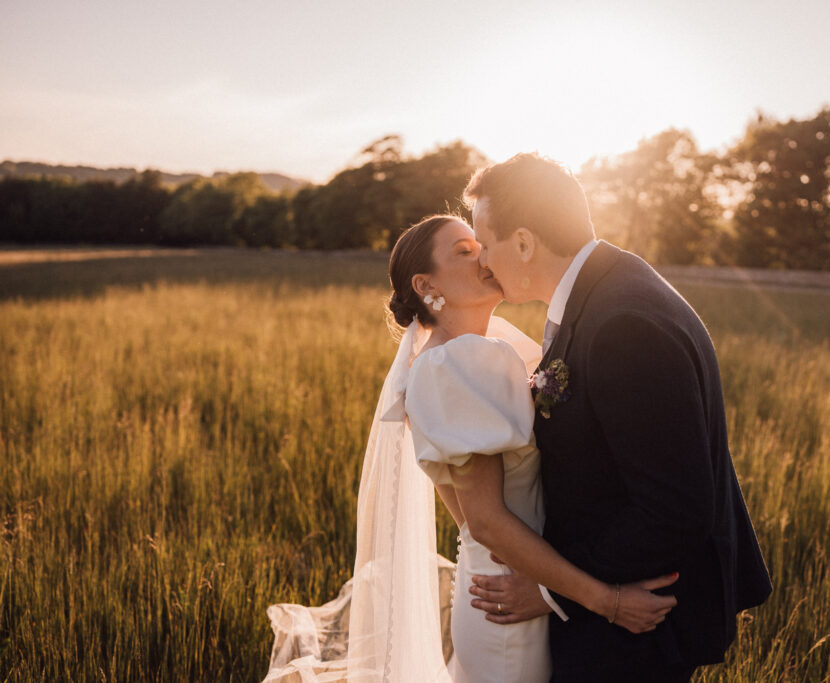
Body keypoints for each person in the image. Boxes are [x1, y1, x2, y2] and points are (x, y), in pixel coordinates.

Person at [264, 215, 676, 683]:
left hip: (510, 581)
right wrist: (607, 601)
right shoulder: (454, 364)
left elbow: (466, 511)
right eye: (463, 251)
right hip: (508, 605)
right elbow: (484, 521)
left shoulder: (476, 349)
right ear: (426, 285)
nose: (482, 256)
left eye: (479, 245)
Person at [462, 153, 773, 682]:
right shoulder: (608, 287)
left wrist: (554, 590)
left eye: (486, 244)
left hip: (639, 626)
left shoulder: (623, 324)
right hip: (622, 615)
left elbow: (673, 511)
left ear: (524, 243)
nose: (484, 263)